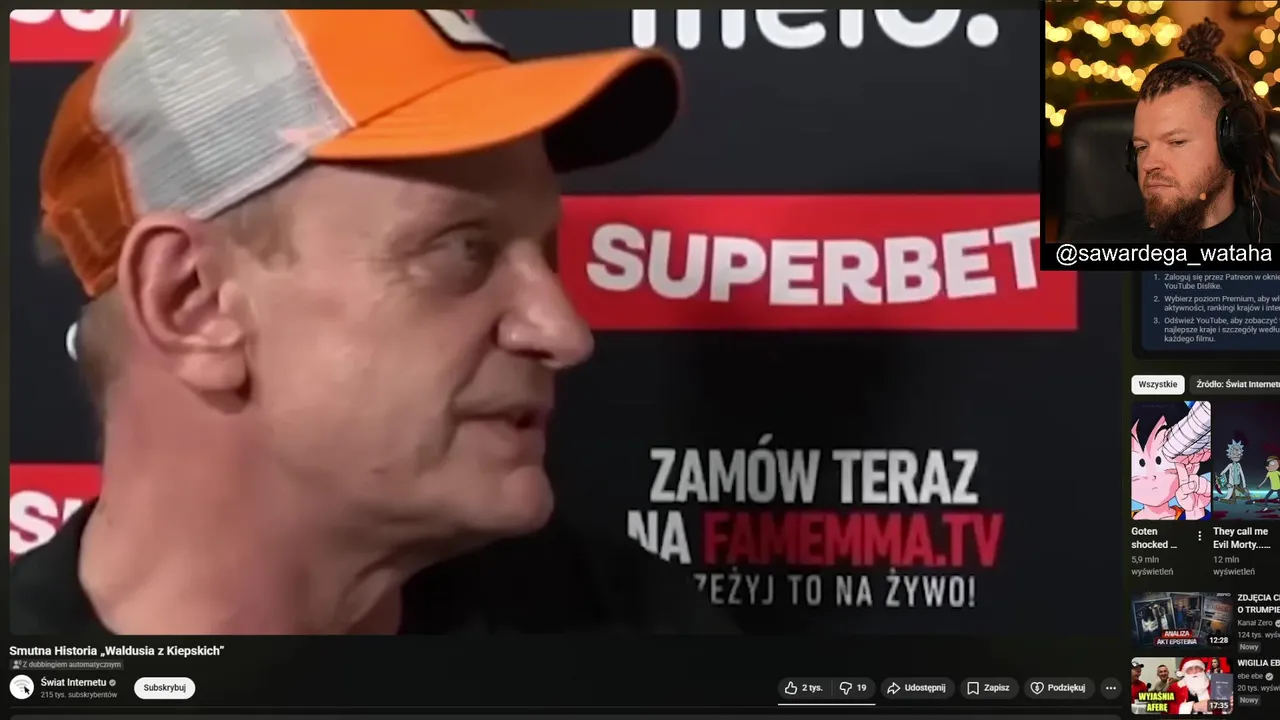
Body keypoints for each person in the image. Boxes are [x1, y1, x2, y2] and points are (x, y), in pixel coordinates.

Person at [11, 10, 737, 635]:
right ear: (191, 302)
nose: (564, 332)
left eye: (548, 254)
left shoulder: (637, 635)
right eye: (463, 249)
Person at [1069, 19, 1280, 244]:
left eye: (1176, 142)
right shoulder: (1091, 245)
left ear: (1232, 144)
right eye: (1142, 147)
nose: (1149, 164)